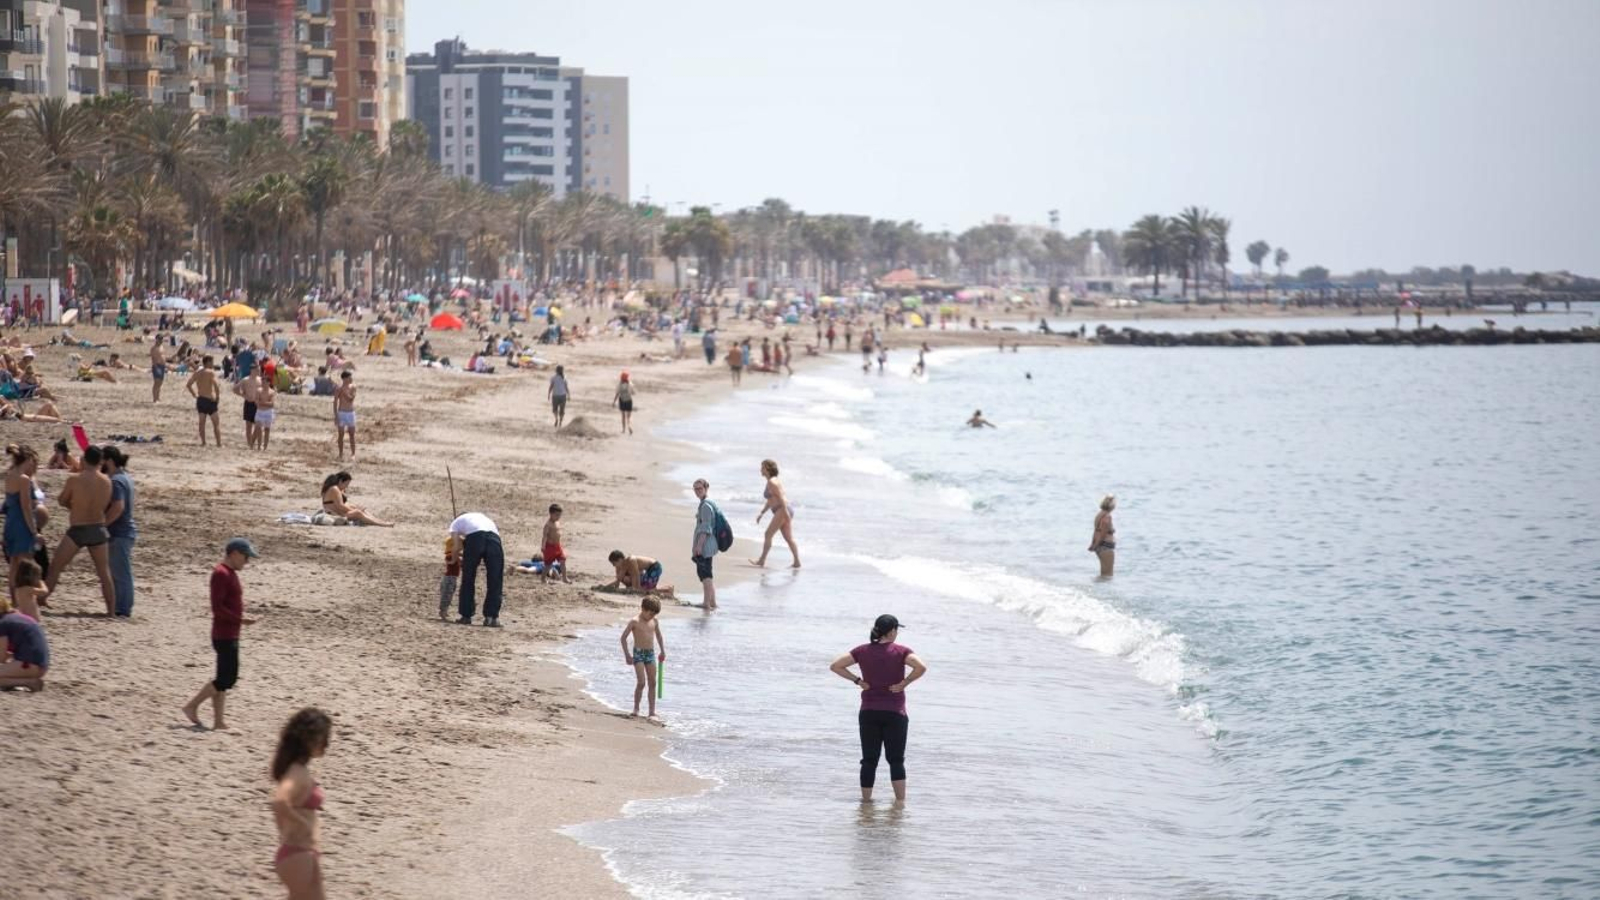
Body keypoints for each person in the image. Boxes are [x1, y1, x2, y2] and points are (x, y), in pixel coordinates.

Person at [829, 614, 926, 803]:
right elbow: (921, 667)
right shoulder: (901, 651)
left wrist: (858, 681)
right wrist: (904, 683)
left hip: (869, 712)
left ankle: (866, 802)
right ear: (892, 631)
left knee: (869, 760)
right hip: (895, 713)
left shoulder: (862, 651)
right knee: (896, 760)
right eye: (896, 630)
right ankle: (900, 804)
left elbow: (836, 666)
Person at [182, 537, 260, 730]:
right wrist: (241, 620)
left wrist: (240, 619)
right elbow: (217, 608)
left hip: (229, 633)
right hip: (224, 634)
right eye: (246, 557)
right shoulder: (221, 573)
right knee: (227, 678)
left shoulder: (229, 573)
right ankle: (192, 706)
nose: (247, 561)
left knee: (222, 678)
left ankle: (218, 721)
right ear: (234, 553)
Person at [44, 444, 116, 616]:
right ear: (100, 461)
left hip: (78, 528)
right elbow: (105, 505)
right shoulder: (107, 482)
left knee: (56, 566)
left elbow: (62, 500)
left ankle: (42, 598)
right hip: (98, 528)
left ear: (84, 459)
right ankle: (111, 611)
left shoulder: (74, 480)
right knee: (104, 573)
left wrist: (74, 507)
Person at [271, 707, 332, 900]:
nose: (327, 744)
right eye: (324, 738)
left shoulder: (299, 770)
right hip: (297, 854)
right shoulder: (297, 772)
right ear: (310, 740)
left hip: (303, 853)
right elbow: (279, 802)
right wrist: (302, 823)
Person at [101, 445, 137, 618]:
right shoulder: (125, 477)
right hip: (124, 532)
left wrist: (103, 524)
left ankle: (123, 609)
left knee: (120, 573)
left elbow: (118, 507)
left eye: (102, 460)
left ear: (108, 461)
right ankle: (120, 607)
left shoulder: (116, 481)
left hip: (119, 533)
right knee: (119, 572)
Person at [450, 512, 504, 627]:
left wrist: (454, 560)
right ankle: (492, 617)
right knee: (495, 579)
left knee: (468, 578)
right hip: (494, 539)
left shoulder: (455, 523)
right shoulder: (483, 518)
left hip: (475, 539)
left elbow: (456, 546)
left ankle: (466, 615)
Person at [619, 596, 665, 720]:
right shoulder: (635, 621)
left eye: (654, 614)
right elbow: (623, 638)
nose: (652, 616)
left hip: (650, 653)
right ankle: (636, 708)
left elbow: (659, 636)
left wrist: (662, 651)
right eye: (650, 613)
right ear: (643, 609)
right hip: (638, 653)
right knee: (641, 682)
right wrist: (627, 655)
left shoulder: (654, 621)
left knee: (653, 682)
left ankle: (652, 711)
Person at [5, 443, 42, 596]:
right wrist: (34, 532)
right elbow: (25, 507)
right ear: (27, 459)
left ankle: (14, 600)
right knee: (26, 565)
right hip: (21, 524)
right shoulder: (24, 479)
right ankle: (26, 599)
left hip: (10, 523)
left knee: (14, 564)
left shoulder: (10, 474)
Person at [750, 459, 801, 568]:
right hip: (783, 510)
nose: (760, 470)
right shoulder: (771, 481)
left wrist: (785, 512)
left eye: (762, 467)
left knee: (768, 534)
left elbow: (781, 497)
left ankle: (762, 560)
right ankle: (797, 562)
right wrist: (762, 513)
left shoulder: (772, 482)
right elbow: (770, 500)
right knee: (788, 538)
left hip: (782, 510)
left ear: (768, 469)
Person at [0, 594, 50, 691]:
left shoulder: (3, 624)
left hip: (28, 664)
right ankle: (16, 681)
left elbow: (1, 657)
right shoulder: (18, 617)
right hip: (40, 665)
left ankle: (28, 682)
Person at [319, 472, 394, 527]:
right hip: (334, 514)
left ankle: (379, 521)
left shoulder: (333, 488)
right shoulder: (335, 489)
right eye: (346, 484)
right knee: (358, 512)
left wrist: (355, 508)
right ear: (341, 481)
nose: (346, 487)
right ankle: (380, 523)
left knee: (357, 508)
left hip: (335, 512)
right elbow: (340, 506)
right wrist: (355, 510)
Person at [690, 478, 720, 611]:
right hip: (708, 544)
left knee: (705, 574)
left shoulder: (706, 506)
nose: (697, 491)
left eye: (700, 488)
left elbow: (706, 528)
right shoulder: (707, 503)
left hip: (705, 546)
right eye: (695, 489)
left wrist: (699, 546)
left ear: (706, 488)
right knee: (707, 573)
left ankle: (706, 603)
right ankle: (712, 602)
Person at [186, 355, 223, 446]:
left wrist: (194, 395)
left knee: (202, 423)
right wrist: (217, 397)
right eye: (212, 362)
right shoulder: (210, 372)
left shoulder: (197, 373)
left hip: (201, 400)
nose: (213, 364)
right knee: (216, 423)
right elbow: (216, 385)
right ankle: (219, 443)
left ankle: (203, 442)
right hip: (210, 400)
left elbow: (189, 385)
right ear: (208, 362)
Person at [604, 551, 671, 597]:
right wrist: (604, 587)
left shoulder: (630, 560)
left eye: (614, 563)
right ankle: (662, 589)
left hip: (654, 567)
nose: (613, 565)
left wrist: (636, 589)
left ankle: (667, 589)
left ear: (620, 559)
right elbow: (618, 580)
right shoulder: (619, 567)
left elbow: (635, 576)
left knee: (644, 591)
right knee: (641, 588)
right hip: (646, 571)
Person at [234, 363, 263, 450]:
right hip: (249, 403)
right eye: (257, 370)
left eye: (259, 370)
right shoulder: (245, 380)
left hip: (258, 404)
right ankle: (250, 444)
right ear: (252, 370)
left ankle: (253, 442)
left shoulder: (260, 380)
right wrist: (243, 395)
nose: (258, 371)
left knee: (258, 426)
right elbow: (235, 389)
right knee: (248, 426)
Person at [541, 503, 570, 583]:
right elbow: (545, 536)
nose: (558, 517)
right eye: (556, 515)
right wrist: (543, 546)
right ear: (551, 514)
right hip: (549, 547)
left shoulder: (557, 522)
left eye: (559, 515)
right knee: (548, 565)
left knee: (562, 561)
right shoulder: (548, 525)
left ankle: (564, 578)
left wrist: (560, 544)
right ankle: (543, 578)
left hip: (557, 546)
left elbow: (558, 533)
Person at [1089, 494, 1116, 577]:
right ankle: (1103, 586)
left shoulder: (1099, 515)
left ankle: (1099, 585)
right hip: (1105, 546)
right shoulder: (1107, 517)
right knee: (1108, 574)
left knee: (1104, 573)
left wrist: (1093, 543)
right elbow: (1103, 535)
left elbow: (1096, 531)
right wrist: (1095, 545)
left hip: (1101, 546)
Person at [333, 371, 358, 459]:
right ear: (345, 378)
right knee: (341, 435)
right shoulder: (338, 389)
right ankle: (340, 453)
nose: (351, 379)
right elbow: (335, 402)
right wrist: (336, 416)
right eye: (349, 377)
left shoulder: (353, 387)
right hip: (342, 412)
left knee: (352, 434)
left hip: (350, 413)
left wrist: (344, 392)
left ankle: (353, 454)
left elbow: (350, 399)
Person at [437, 531, 460, 622]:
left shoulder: (453, 555)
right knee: (447, 594)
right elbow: (452, 560)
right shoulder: (450, 555)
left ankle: (444, 611)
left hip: (452, 577)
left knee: (449, 594)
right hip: (450, 578)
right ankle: (443, 611)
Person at [255, 380, 277, 451]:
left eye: (264, 382)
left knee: (267, 429)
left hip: (268, 412)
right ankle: (259, 446)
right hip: (260, 411)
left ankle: (265, 446)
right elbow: (256, 402)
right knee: (258, 428)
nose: (263, 384)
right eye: (262, 382)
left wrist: (262, 403)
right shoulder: (259, 390)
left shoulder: (271, 392)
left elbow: (272, 404)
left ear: (268, 383)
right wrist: (265, 403)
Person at [548, 365, 569, 429]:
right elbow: (566, 387)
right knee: (562, 410)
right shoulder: (565, 377)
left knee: (555, 409)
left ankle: (556, 418)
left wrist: (548, 394)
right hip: (563, 395)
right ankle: (560, 422)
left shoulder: (553, 378)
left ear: (556, 370)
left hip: (555, 395)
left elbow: (551, 386)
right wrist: (569, 395)